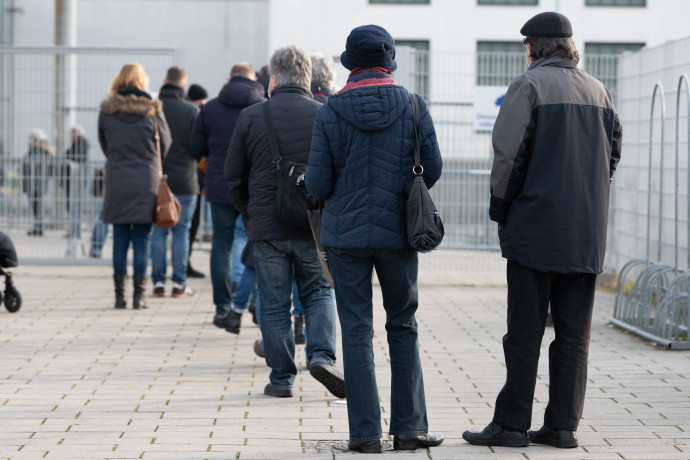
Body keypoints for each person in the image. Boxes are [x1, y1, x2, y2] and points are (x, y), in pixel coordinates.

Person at [461, 12, 622, 449]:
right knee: (573, 334)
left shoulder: (528, 85)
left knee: (524, 332)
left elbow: (508, 157)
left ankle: (511, 424)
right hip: (585, 232)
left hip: (535, 230)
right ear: (569, 47)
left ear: (533, 47)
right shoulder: (600, 91)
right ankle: (563, 425)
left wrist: (500, 207)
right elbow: (612, 155)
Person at [305, 25, 444, 453]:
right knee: (403, 324)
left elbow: (318, 181)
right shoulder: (413, 105)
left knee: (356, 329)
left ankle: (365, 436)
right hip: (399, 235)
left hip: (345, 237)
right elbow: (432, 169)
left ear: (351, 63)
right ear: (389, 61)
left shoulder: (329, 110)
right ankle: (411, 430)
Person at [225, 46, 344, 400]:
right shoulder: (325, 115)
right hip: (312, 224)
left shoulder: (251, 116)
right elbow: (337, 172)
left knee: (273, 302)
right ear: (308, 78)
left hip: (268, 229)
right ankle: (322, 356)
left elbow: (233, 175)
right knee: (320, 292)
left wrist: (251, 215)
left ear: (273, 78)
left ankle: (281, 380)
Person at [189, 63, 265, 324]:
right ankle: (254, 298)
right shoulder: (263, 105)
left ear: (228, 78)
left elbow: (196, 147)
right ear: (254, 78)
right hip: (254, 187)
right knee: (258, 242)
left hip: (220, 185)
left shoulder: (209, 108)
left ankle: (222, 307)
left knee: (220, 245)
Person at [98, 62, 172, 309]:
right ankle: (139, 297)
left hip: (117, 179)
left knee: (119, 238)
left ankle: (119, 296)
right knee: (142, 239)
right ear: (142, 81)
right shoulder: (152, 108)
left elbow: (104, 143)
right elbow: (166, 142)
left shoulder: (107, 109)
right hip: (145, 181)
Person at [150, 66, 200, 298]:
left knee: (158, 232)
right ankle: (179, 284)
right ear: (183, 85)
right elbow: (198, 147)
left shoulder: (152, 108)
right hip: (186, 180)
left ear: (164, 81)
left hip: (156, 180)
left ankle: (158, 283)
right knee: (181, 232)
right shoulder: (191, 110)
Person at [185, 83, 208, 279]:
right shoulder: (194, 114)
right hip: (190, 179)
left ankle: (161, 272)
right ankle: (184, 266)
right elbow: (198, 150)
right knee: (189, 226)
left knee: (163, 230)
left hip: (164, 178)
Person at [22, 128, 55, 236]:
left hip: (37, 183)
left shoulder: (40, 151)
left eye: (32, 138)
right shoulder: (39, 150)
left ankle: (39, 227)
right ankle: (38, 226)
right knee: (36, 206)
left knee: (38, 206)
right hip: (35, 183)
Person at [63, 124, 90, 239]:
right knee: (72, 207)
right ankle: (73, 231)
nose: (72, 136)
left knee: (76, 207)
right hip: (73, 181)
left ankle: (76, 232)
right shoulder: (76, 145)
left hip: (77, 181)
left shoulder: (81, 146)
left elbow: (77, 161)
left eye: (74, 134)